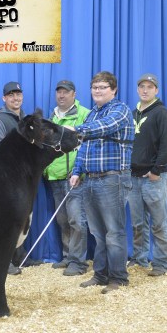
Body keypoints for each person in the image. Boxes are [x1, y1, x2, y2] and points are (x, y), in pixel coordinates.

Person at [69, 71, 134, 294]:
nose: (97, 91)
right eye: (95, 87)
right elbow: (83, 147)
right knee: (98, 233)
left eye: (103, 87)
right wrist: (77, 171)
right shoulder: (91, 115)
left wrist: (75, 129)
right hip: (91, 179)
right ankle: (100, 274)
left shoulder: (120, 110)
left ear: (113, 90)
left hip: (112, 178)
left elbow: (104, 127)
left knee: (113, 232)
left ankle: (118, 278)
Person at [0, 81, 42, 275]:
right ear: (4, 98)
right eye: (11, 95)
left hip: (25, 178)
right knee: (7, 221)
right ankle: (4, 260)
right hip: (7, 179)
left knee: (22, 218)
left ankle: (19, 256)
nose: (15, 98)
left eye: (18, 94)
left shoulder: (27, 121)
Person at [127, 73, 167, 276]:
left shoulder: (162, 113)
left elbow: (166, 144)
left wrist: (156, 170)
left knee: (159, 223)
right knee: (138, 223)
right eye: (142, 87)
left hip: (154, 178)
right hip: (133, 177)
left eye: (149, 87)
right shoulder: (132, 114)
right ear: (138, 89)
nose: (145, 90)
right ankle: (140, 258)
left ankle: (162, 263)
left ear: (156, 90)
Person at [43, 80, 90, 276]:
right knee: (63, 220)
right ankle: (68, 256)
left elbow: (88, 146)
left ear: (74, 94)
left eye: (66, 92)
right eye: (59, 92)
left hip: (74, 177)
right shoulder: (52, 117)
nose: (61, 95)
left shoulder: (84, 114)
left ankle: (78, 262)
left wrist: (81, 171)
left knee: (77, 220)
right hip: (55, 176)